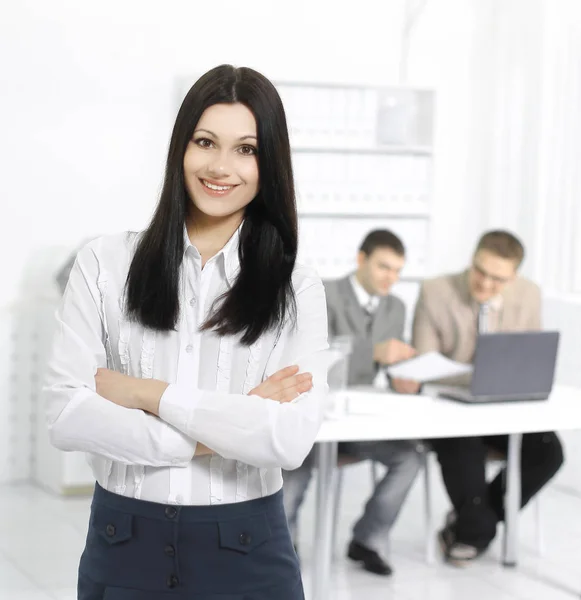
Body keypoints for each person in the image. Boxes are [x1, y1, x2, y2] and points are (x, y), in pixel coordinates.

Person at [42, 65, 330, 600]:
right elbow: (66, 415)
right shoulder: (104, 264)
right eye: (205, 142)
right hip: (124, 540)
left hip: (249, 549)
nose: (222, 167)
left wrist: (143, 395)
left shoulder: (297, 288)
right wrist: (223, 426)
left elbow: (287, 439)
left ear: (271, 162)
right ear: (181, 148)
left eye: (246, 149)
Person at [412, 230, 564, 566]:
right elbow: (425, 363)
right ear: (473, 259)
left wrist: (495, 375)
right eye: (481, 271)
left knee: (548, 451)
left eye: (498, 279)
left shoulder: (528, 295)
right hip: (447, 408)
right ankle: (477, 531)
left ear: (514, 277)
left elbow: (526, 358)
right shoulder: (435, 291)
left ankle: (473, 525)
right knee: (463, 446)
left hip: (501, 408)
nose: (485, 283)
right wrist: (483, 372)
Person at [282, 230, 422, 576]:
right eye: (383, 267)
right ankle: (284, 545)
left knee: (409, 458)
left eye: (397, 271)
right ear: (361, 260)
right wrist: (373, 352)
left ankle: (367, 539)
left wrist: (406, 378)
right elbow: (310, 359)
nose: (391, 278)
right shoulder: (321, 292)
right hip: (315, 414)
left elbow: (391, 368)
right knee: (293, 468)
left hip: (359, 419)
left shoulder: (396, 307)